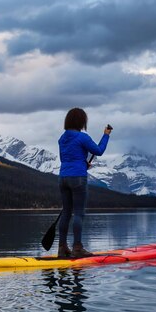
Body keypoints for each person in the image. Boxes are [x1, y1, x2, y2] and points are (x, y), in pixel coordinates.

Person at [57, 108, 112, 257]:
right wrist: (105, 135)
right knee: (79, 213)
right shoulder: (82, 137)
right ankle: (77, 248)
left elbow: (66, 158)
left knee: (66, 213)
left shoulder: (62, 139)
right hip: (78, 178)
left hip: (63, 178)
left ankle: (62, 248)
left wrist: (83, 162)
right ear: (81, 121)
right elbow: (99, 151)